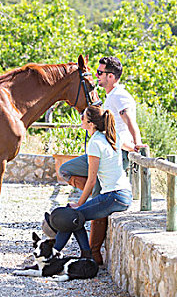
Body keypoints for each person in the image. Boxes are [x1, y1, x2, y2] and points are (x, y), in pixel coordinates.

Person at [58, 56, 145, 264]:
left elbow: (129, 120)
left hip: (114, 153)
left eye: (100, 73)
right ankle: (89, 249)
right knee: (69, 171)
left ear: (111, 77)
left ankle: (92, 253)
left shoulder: (119, 96)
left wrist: (137, 143)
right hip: (111, 149)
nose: (96, 76)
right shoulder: (110, 96)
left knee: (87, 201)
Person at [46, 105, 133, 259]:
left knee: (72, 216)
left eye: (83, 117)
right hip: (123, 194)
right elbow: (126, 146)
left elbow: (92, 180)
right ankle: (85, 254)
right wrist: (136, 147)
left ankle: (53, 256)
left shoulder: (95, 142)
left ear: (91, 124)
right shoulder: (112, 136)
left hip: (113, 196)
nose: (81, 119)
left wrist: (80, 203)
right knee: (75, 217)